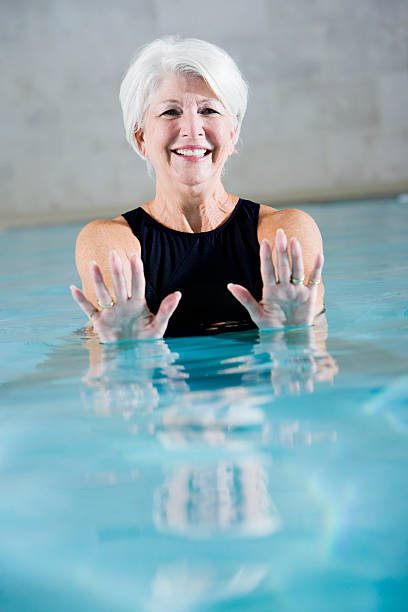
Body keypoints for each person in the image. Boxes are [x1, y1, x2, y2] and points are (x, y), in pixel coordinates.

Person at [70, 37, 324, 341]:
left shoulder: (286, 232)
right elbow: (105, 375)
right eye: (170, 112)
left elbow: (317, 366)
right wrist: (126, 352)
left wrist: (296, 337)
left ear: (232, 134)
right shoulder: (109, 242)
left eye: (209, 111)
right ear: (141, 139)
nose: (192, 129)